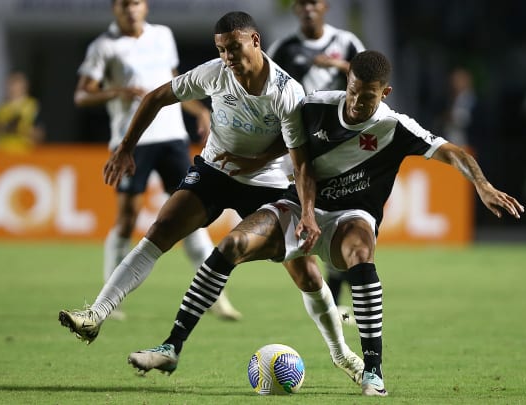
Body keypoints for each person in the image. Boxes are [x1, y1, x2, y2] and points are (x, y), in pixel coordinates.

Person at [129, 51, 525, 397]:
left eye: (366, 95)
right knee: (230, 247)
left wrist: (483, 186)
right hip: (299, 205)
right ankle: (171, 348)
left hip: (350, 218)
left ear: (383, 93)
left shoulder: (394, 127)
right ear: (347, 81)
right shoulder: (315, 106)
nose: (355, 101)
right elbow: (291, 153)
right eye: (352, 89)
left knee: (360, 251)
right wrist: (290, 198)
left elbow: (452, 151)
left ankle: (373, 370)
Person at [59, 11, 364, 385]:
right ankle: (96, 315)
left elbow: (298, 159)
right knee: (161, 230)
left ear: (255, 41)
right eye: (221, 50)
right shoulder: (215, 73)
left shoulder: (286, 91)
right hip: (215, 171)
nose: (228, 58)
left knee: (305, 271)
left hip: (268, 183)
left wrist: (303, 211)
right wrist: (125, 147)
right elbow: (157, 97)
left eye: (234, 48)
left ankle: (342, 354)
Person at [73, 0, 239, 321]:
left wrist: (199, 109)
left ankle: (218, 299)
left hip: (173, 137)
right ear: (114, 9)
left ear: (145, 6)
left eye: (135, 3)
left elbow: (174, 82)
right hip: (133, 140)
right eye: (123, 5)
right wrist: (116, 92)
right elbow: (82, 94)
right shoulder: (104, 46)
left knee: (191, 215)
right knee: (126, 219)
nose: (130, 9)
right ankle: (112, 298)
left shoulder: (163, 35)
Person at [268, 0, 366, 319]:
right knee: (316, 222)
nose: (308, 8)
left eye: (314, 2)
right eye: (302, 3)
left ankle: (339, 298)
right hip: (299, 148)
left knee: (342, 221)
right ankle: (332, 299)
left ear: (325, 6)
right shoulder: (284, 48)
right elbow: (266, 88)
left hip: (341, 148)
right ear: (296, 9)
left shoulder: (347, 42)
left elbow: (369, 78)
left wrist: (338, 67)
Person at [0, 71, 45, 152]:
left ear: (25, 86)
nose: (13, 87)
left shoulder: (33, 106)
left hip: (24, 153)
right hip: (2, 152)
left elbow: (40, 135)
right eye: (11, 84)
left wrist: (20, 129)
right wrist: (4, 127)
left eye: (17, 84)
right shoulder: (1, 108)